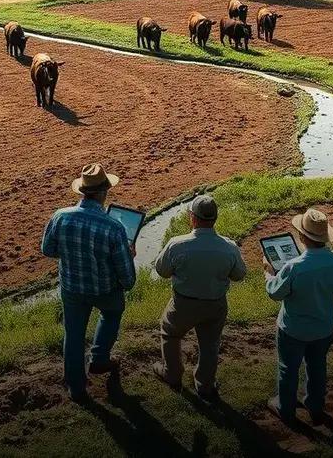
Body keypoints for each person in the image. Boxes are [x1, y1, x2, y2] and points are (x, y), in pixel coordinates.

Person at [41, 163, 136, 402]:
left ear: (82, 192)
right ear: (104, 192)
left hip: (72, 288)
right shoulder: (115, 227)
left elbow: (47, 249)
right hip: (105, 289)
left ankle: (76, 388)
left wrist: (71, 254)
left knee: (73, 334)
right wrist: (128, 257)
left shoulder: (60, 216)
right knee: (112, 312)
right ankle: (99, 358)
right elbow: (127, 278)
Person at [151, 195, 247, 403]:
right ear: (215, 218)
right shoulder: (229, 247)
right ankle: (205, 384)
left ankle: (172, 374)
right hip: (215, 303)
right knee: (210, 343)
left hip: (183, 304)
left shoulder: (177, 244)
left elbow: (162, 271)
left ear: (192, 218)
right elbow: (239, 275)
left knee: (170, 333)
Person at [264, 208, 333, 425]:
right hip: (324, 326)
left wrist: (269, 273)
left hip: (294, 328)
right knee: (317, 366)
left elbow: (274, 293)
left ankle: (285, 409)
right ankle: (315, 405)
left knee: (288, 368)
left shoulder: (294, 267)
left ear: (302, 237)